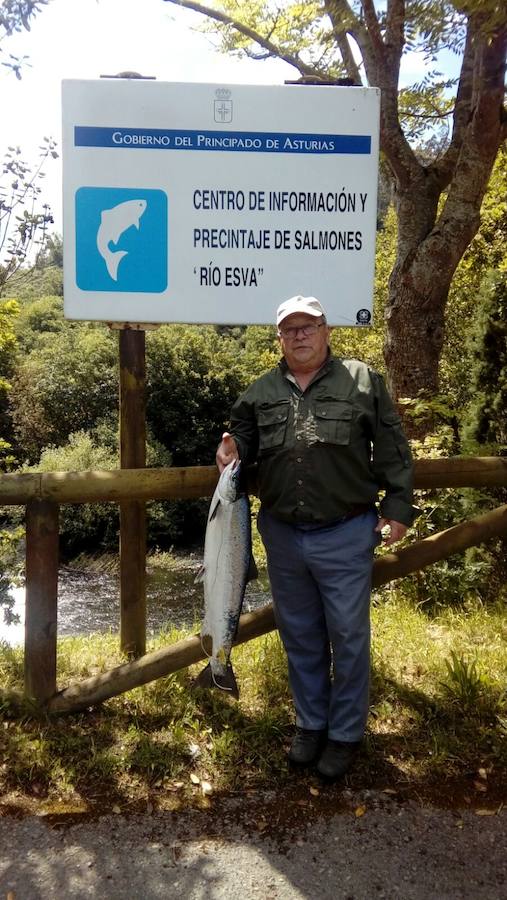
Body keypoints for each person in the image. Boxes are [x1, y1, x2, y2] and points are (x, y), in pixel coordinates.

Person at [216, 295, 418, 780]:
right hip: (282, 535)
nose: (298, 336)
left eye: (307, 327)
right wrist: (230, 446)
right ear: (279, 337)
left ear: (326, 329)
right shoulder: (259, 391)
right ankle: (310, 724)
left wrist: (397, 507)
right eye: (289, 329)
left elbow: (392, 446)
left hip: (347, 532)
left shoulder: (363, 380)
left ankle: (345, 734)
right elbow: (240, 438)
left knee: (348, 637)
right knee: (300, 635)